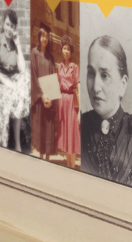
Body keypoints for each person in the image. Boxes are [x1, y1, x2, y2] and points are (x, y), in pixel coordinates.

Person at [81, 34, 132, 185]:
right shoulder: (79, 126)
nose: (95, 87)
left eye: (105, 75)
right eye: (91, 73)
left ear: (123, 84)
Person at [0, 7, 29, 151]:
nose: (9, 29)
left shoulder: (14, 42)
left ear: (15, 28)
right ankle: (4, 144)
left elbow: (23, 70)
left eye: (12, 26)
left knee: (26, 76)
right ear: (3, 24)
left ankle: (17, 144)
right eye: (7, 24)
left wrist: (18, 44)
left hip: (13, 85)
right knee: (12, 97)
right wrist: (6, 82)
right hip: (1, 84)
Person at [30, 24, 57, 161]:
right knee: (41, 130)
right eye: (43, 36)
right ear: (39, 37)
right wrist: (42, 95)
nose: (45, 38)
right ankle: (40, 159)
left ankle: (47, 159)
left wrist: (50, 98)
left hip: (48, 101)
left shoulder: (50, 58)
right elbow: (33, 77)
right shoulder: (34, 53)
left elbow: (53, 78)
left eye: (47, 36)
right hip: (41, 100)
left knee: (48, 130)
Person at [55, 39, 81, 169]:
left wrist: (80, 110)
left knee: (72, 132)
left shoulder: (74, 67)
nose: (66, 51)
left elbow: (79, 88)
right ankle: (68, 165)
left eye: (68, 49)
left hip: (71, 101)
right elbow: (55, 87)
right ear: (62, 50)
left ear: (71, 52)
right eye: (64, 48)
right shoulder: (59, 67)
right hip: (62, 102)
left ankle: (73, 166)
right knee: (65, 133)